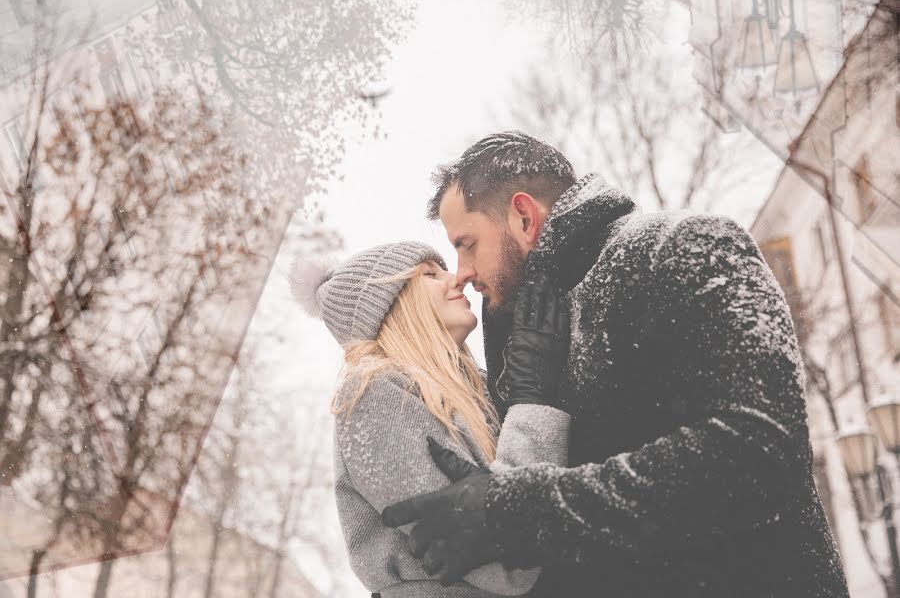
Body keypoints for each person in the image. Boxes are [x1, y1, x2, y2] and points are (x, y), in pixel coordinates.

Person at [381, 131, 851, 597]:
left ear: (524, 216)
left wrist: (518, 511)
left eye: (466, 244)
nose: (460, 271)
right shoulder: (519, 336)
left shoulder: (684, 246)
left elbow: (761, 452)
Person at [289, 240, 572, 598]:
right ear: (393, 305)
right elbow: (508, 567)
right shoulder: (374, 395)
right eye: (429, 274)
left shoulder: (473, 392)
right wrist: (532, 402)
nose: (456, 279)